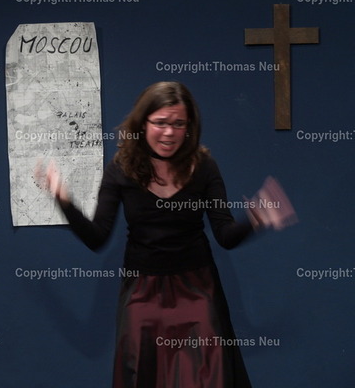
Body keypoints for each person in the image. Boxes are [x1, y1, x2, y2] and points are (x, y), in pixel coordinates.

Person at [37, 81, 296, 388]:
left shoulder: (204, 167)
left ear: (189, 127)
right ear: (142, 123)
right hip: (142, 292)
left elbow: (225, 236)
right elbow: (97, 238)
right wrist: (64, 201)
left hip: (197, 290)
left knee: (206, 375)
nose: (169, 133)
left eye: (178, 124)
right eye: (160, 123)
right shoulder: (120, 170)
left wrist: (257, 217)